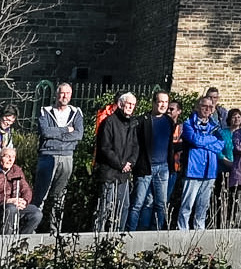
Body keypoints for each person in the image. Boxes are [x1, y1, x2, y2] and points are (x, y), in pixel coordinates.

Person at [28, 82, 83, 233]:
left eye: (68, 93)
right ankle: (31, 229)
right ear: (56, 94)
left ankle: (55, 231)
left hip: (67, 157)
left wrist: (57, 135)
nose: (64, 96)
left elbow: (78, 134)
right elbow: (45, 133)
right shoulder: (45, 111)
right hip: (47, 155)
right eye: (62, 93)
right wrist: (66, 130)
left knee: (59, 197)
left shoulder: (76, 113)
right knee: (41, 195)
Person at [176, 94, 227, 230]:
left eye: (211, 107)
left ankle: (200, 233)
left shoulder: (215, 126)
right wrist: (210, 139)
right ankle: (182, 233)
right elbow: (195, 140)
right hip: (193, 170)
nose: (208, 109)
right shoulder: (188, 124)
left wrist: (204, 140)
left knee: (203, 207)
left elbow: (221, 145)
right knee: (187, 205)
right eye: (204, 106)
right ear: (198, 107)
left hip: (210, 172)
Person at [94, 93, 142, 233]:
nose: (131, 107)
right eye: (128, 104)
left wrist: (130, 163)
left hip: (124, 175)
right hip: (109, 172)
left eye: (133, 105)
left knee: (124, 207)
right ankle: (98, 237)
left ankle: (118, 236)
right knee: (104, 207)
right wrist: (121, 164)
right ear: (121, 104)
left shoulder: (133, 123)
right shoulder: (108, 122)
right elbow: (105, 148)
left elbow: (135, 146)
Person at [129, 92, 176, 231]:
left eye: (166, 102)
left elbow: (169, 145)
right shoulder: (143, 120)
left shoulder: (169, 121)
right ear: (154, 103)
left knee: (161, 203)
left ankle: (157, 232)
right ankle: (130, 232)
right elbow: (136, 144)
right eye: (160, 102)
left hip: (163, 168)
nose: (163, 105)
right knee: (138, 203)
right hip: (146, 167)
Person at [0, 144, 42, 234]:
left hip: (15, 203)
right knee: (11, 209)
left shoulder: (17, 170)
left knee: (36, 213)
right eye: (7, 157)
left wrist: (24, 201)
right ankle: (6, 240)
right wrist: (8, 200)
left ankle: (22, 239)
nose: (10, 160)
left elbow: (26, 190)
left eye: (13, 157)